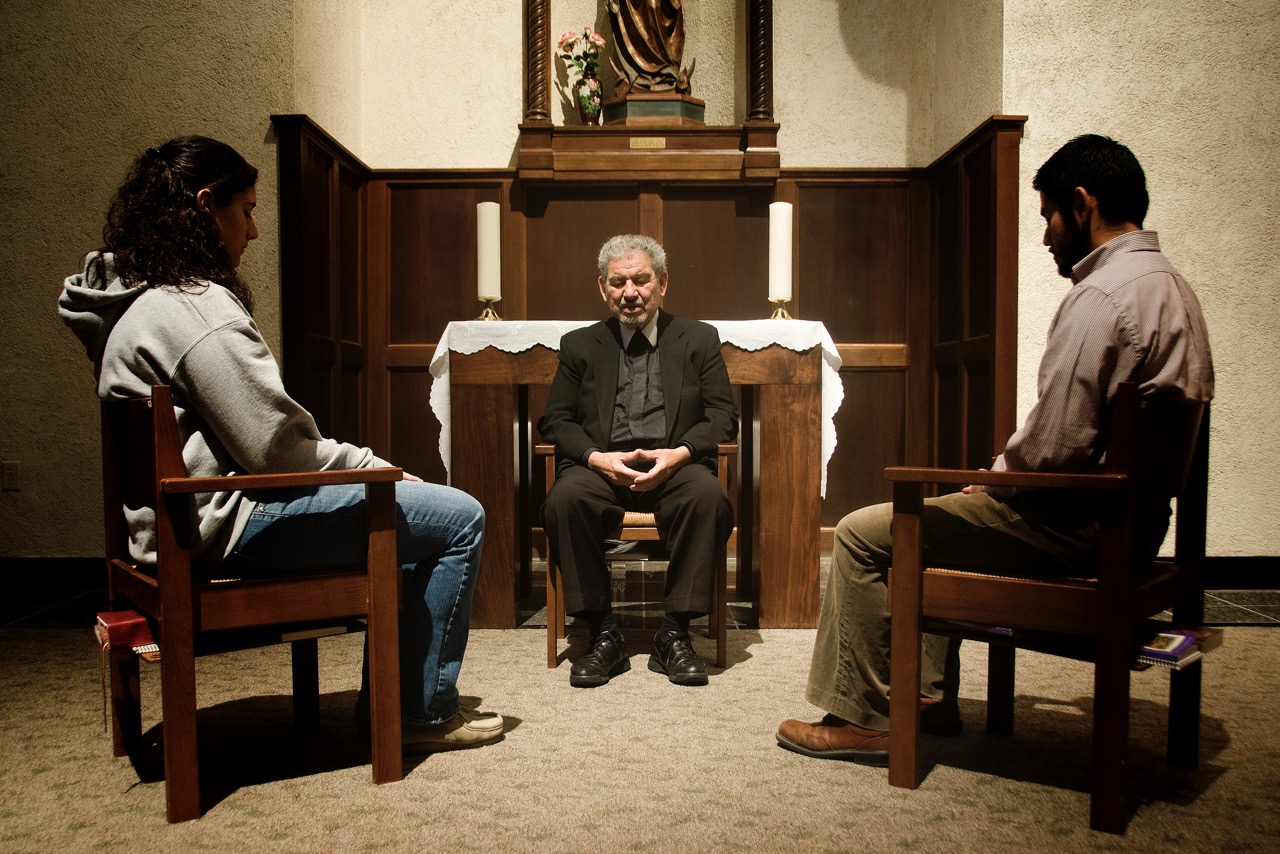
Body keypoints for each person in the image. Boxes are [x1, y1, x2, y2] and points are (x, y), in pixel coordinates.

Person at [777, 134, 1214, 764]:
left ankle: (867, 717)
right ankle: (927, 694)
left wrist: (998, 476)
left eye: (1048, 217)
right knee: (945, 515)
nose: (1044, 237)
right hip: (1135, 522)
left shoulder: (1101, 298)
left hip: (1074, 527)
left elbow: (1055, 448)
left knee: (862, 532)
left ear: (1083, 204)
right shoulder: (1172, 287)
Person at [59, 136, 503, 752]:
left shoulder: (132, 303)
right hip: (223, 526)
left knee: (409, 517)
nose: (256, 231)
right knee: (457, 516)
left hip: (167, 528)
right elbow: (277, 450)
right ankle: (416, 713)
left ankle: (397, 701)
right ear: (204, 206)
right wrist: (378, 469)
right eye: (246, 210)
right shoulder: (192, 308)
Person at [539, 234, 738, 687]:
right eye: (618, 282)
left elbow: (725, 416)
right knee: (564, 500)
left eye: (641, 280)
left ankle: (675, 634)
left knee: (708, 497)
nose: (630, 292)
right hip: (603, 468)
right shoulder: (580, 344)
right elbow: (555, 420)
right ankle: (602, 633)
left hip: (676, 467)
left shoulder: (698, 338)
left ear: (662, 283)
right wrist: (596, 458)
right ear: (603, 288)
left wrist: (680, 454)